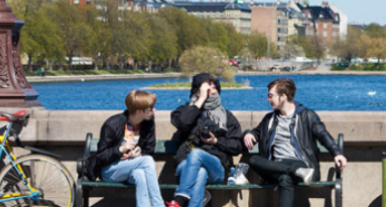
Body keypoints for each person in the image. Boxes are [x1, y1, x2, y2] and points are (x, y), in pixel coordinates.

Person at [241, 78, 348, 207]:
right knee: (253, 160)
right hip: (275, 166)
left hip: (299, 162)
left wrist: (337, 153)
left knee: (285, 179)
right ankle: (296, 171)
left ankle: (295, 169)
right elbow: (256, 132)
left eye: (270, 96)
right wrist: (248, 133)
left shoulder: (306, 116)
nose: (268, 99)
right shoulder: (270, 119)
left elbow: (323, 135)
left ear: (283, 97)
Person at [168, 74, 243, 207]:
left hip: (215, 167)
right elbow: (183, 123)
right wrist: (200, 99)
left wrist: (216, 142)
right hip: (185, 165)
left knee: (197, 154)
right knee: (200, 172)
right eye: (207, 87)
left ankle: (180, 197)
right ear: (197, 89)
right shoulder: (185, 111)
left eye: (214, 87)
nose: (211, 90)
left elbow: (236, 146)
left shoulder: (227, 117)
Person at [88, 90, 160, 207]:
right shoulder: (113, 124)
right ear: (139, 112)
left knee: (140, 174)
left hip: (132, 170)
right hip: (110, 171)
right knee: (146, 162)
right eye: (150, 108)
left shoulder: (148, 123)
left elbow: (149, 150)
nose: (154, 110)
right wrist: (121, 149)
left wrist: (139, 155)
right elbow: (101, 158)